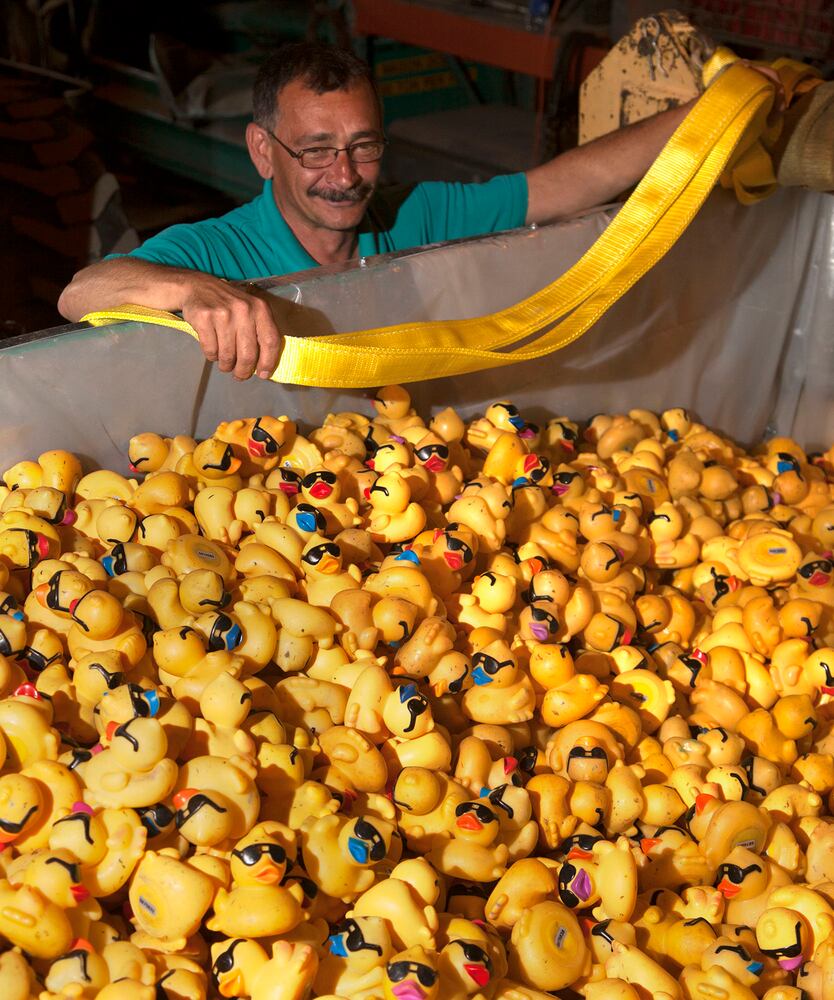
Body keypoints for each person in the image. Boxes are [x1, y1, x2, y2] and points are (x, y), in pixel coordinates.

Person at [58, 41, 698, 381]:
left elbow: (567, 184)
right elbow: (81, 293)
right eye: (315, 151)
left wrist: (705, 118)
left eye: (364, 147)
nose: (344, 176)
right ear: (262, 150)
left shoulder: (413, 216)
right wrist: (196, 292)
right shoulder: (218, 251)